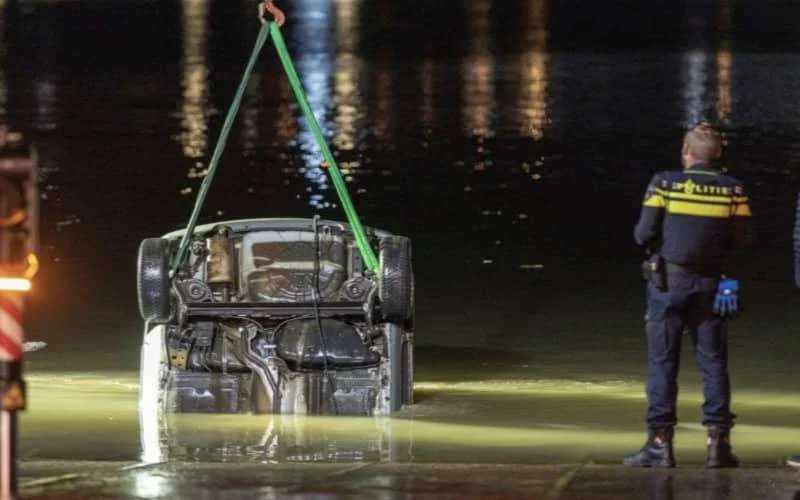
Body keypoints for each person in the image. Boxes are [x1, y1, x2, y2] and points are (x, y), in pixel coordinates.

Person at [623, 123, 753, 468]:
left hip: (668, 285)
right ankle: (718, 445)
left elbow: (642, 234)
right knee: (713, 363)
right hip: (712, 287)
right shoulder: (733, 189)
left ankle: (660, 445)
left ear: (686, 150)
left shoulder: (664, 183)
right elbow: (743, 240)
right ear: (719, 154)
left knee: (663, 363)